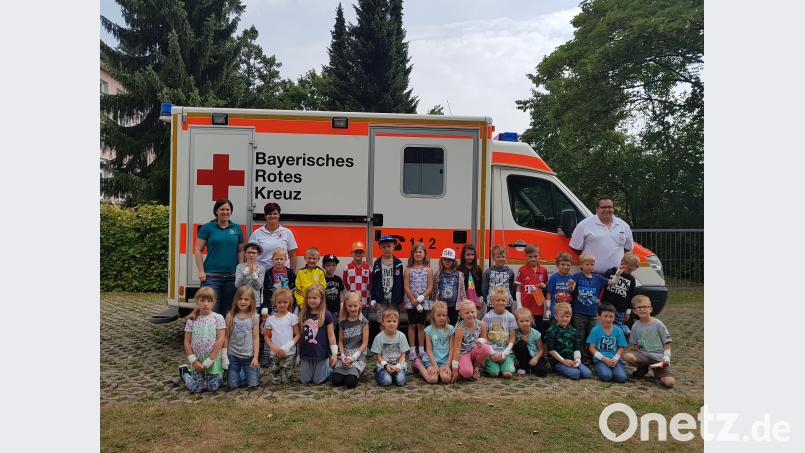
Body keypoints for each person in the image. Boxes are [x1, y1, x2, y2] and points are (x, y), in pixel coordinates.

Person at [194, 199, 244, 315]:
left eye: (228, 209)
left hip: (231, 277)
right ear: (216, 211)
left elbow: (241, 250)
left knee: (228, 311)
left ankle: (225, 334)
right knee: (211, 311)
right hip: (211, 277)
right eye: (222, 209)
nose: (225, 212)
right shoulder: (207, 227)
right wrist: (201, 271)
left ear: (231, 211)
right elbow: (197, 250)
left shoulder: (236, 228)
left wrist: (240, 269)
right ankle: (211, 334)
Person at [569, 196, 634, 274]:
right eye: (603, 207)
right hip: (591, 275)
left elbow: (627, 249)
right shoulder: (584, 225)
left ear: (613, 208)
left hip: (617, 275)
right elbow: (576, 248)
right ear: (597, 209)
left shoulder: (624, 226)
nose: (607, 209)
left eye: (610, 207)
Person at [179, 287, 226, 393]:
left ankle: (220, 373)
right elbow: (187, 342)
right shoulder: (192, 320)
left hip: (213, 360)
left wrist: (210, 360)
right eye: (202, 300)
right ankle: (184, 373)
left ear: (214, 302)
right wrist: (194, 361)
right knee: (196, 388)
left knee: (212, 387)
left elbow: (220, 339)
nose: (206, 304)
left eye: (209, 301)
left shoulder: (218, 318)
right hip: (197, 360)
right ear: (197, 302)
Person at [622, 295, 675, 388]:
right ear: (634, 311)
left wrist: (667, 356)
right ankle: (643, 367)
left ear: (650, 309)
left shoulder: (658, 324)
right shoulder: (635, 326)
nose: (642, 309)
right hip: (644, 356)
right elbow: (635, 345)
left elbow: (667, 342)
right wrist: (640, 359)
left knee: (669, 383)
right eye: (639, 307)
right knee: (627, 356)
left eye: (645, 306)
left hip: (659, 358)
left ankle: (657, 370)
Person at [571, 253, 615, 362]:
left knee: (593, 336)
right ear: (581, 265)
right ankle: (583, 357)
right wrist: (571, 286)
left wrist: (618, 272)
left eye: (592, 264)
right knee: (580, 336)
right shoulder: (576, 276)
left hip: (593, 313)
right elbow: (571, 289)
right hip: (579, 313)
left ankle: (593, 356)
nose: (590, 267)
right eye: (587, 264)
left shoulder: (598, 278)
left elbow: (613, 282)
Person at [298, 284, 338, 384]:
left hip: (320, 353)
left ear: (321, 299)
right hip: (306, 352)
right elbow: (300, 335)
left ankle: (329, 370)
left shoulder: (327, 314)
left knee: (318, 381)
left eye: (315, 298)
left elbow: (331, 335)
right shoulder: (303, 314)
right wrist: (298, 354)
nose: (312, 300)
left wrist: (334, 354)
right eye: (309, 298)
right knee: (305, 381)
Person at [223, 287, 260, 389]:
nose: (243, 301)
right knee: (233, 385)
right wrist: (225, 355)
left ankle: (250, 371)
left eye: (246, 299)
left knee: (253, 384)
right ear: (235, 300)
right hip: (233, 356)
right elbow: (226, 337)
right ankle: (241, 372)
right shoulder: (230, 316)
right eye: (240, 298)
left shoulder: (254, 316)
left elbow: (256, 337)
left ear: (251, 301)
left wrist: (255, 357)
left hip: (249, 357)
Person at [544, 302, 592, 380]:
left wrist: (577, 359)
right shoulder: (551, 330)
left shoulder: (573, 330)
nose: (565, 319)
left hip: (571, 359)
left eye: (567, 316)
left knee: (587, 374)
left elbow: (576, 347)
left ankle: (572, 367)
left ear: (570, 317)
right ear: (556, 317)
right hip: (558, 361)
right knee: (575, 374)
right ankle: (558, 368)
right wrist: (563, 361)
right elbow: (551, 350)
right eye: (562, 316)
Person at [332, 293, 370, 389]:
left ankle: (357, 372)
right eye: (349, 306)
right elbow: (340, 341)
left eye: (355, 306)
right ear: (345, 306)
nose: (352, 308)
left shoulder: (364, 322)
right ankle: (348, 373)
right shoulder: (343, 322)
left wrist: (353, 358)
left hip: (358, 354)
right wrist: (343, 355)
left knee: (350, 383)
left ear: (360, 305)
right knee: (336, 381)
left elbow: (365, 343)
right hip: (345, 353)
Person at [264, 287, 300, 385]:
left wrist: (286, 348)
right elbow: (266, 336)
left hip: (289, 353)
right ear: (275, 303)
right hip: (274, 353)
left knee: (286, 381)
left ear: (289, 302)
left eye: (285, 302)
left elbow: (297, 335)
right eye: (279, 302)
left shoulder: (292, 318)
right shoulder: (270, 319)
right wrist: (273, 347)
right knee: (275, 380)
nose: (282, 304)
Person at [404, 242, 434, 361]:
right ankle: (412, 350)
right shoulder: (408, 270)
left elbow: (430, 287)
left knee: (421, 325)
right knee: (411, 325)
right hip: (411, 302)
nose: (418, 254)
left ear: (424, 254)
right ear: (412, 254)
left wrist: (420, 299)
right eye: (416, 252)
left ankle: (421, 349)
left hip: (423, 302)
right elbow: (406, 287)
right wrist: (413, 300)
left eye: (420, 252)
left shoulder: (428, 270)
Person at [249, 202, 299, 273]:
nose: (272, 216)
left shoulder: (287, 232)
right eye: (269, 214)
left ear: (279, 215)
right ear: (265, 216)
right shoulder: (257, 233)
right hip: (262, 274)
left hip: (282, 275)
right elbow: (250, 255)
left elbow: (293, 255)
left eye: (275, 214)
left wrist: (292, 273)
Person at [414, 301, 455, 384]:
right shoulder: (429, 330)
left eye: (444, 315)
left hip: (445, 361)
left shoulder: (450, 329)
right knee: (432, 380)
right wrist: (435, 366)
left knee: (446, 379)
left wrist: (447, 365)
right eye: (439, 315)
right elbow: (429, 350)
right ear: (433, 316)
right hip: (431, 360)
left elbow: (452, 349)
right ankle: (418, 363)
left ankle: (440, 371)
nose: (442, 318)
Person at [586, 304, 628, 383]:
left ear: (614, 317)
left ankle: (617, 367)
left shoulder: (618, 330)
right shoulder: (595, 330)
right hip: (601, 359)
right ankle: (602, 368)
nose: (608, 319)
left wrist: (615, 359)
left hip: (614, 359)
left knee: (622, 378)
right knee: (606, 376)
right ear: (599, 316)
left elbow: (622, 347)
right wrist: (603, 359)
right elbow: (591, 348)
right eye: (605, 316)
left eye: (611, 316)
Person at [452, 299, 492, 381]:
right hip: (464, 353)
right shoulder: (459, 329)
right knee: (467, 373)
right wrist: (454, 368)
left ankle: (476, 367)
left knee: (486, 348)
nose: (470, 314)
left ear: (476, 312)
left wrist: (481, 341)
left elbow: (485, 340)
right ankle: (464, 366)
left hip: (475, 350)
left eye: (473, 312)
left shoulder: (481, 324)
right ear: (461, 315)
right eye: (467, 313)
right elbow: (456, 350)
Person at [482, 287, 517, 379]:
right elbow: (484, 337)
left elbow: (512, 338)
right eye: (497, 300)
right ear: (492, 301)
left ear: (507, 302)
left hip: (505, 352)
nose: (501, 302)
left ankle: (509, 362)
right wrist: (492, 353)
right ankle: (489, 364)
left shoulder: (510, 317)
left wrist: (505, 353)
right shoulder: (487, 317)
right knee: (494, 374)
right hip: (491, 352)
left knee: (507, 374)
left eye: (503, 300)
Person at [601, 253, 639, 335]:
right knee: (604, 325)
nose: (630, 272)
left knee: (617, 327)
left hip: (620, 309)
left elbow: (631, 296)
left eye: (632, 270)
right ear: (622, 263)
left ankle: (617, 340)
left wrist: (628, 312)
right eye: (629, 269)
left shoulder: (631, 279)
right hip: (607, 305)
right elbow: (601, 284)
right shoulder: (610, 272)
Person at [370, 308, 410, 387]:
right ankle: (379, 374)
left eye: (394, 321)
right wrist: (386, 365)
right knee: (387, 382)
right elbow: (378, 356)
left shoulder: (401, 336)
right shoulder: (379, 337)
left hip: (398, 365)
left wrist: (398, 365)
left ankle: (397, 376)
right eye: (388, 321)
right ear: (383, 322)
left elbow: (403, 354)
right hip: (384, 366)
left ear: (398, 322)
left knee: (400, 381)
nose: (392, 324)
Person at [516, 244, 549, 334]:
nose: (533, 259)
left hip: (538, 306)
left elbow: (546, 287)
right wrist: (519, 305)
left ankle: (538, 347)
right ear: (526, 257)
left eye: (535, 256)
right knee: (525, 329)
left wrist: (544, 286)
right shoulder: (522, 270)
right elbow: (518, 287)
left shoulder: (543, 270)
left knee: (537, 330)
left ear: (539, 256)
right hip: (526, 306)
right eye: (530, 256)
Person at [370, 236, 404, 323]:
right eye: (384, 247)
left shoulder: (398, 263)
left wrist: (401, 299)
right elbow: (374, 282)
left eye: (389, 246)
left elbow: (401, 282)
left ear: (393, 247)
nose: (387, 249)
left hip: (394, 299)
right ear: (380, 248)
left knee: (393, 321)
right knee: (382, 321)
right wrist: (373, 298)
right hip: (381, 299)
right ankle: (382, 337)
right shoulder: (377, 263)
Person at [432, 247, 466, 325]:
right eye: (445, 259)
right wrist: (434, 304)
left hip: (454, 307)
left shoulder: (459, 274)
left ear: (453, 261)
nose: (447, 262)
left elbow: (462, 291)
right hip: (441, 307)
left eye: (449, 260)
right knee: (441, 326)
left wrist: (462, 305)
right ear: (442, 260)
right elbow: (434, 291)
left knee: (453, 326)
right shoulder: (437, 274)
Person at [513, 307, 548, 377]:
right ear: (516, 322)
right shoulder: (515, 332)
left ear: (530, 321)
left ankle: (531, 367)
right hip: (523, 356)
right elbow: (513, 346)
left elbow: (541, 350)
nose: (525, 323)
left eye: (527, 321)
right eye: (521, 321)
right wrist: (519, 340)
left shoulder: (536, 333)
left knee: (542, 372)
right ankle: (522, 367)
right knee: (521, 343)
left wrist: (536, 358)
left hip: (535, 355)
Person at [482, 245, 516, 311]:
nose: (501, 259)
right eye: (498, 257)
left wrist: (508, 297)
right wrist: (487, 300)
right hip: (492, 304)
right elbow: (484, 288)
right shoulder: (488, 272)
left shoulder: (510, 272)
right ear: (493, 258)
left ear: (506, 257)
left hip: (506, 303)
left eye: (503, 256)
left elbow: (511, 287)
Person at [264, 247, 296, 315]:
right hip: (273, 304)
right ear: (272, 259)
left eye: (281, 259)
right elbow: (265, 290)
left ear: (286, 260)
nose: (279, 261)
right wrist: (266, 305)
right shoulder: (268, 273)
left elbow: (294, 287)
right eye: (276, 259)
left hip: (287, 303)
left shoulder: (290, 272)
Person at [343, 241, 372, 318]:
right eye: (356, 252)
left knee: (364, 324)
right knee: (352, 324)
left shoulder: (368, 267)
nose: (358, 254)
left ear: (364, 254)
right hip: (352, 303)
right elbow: (345, 283)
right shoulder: (347, 267)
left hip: (365, 302)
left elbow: (371, 283)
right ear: (352, 253)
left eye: (360, 252)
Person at [235, 242, 266, 311]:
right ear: (245, 254)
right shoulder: (240, 267)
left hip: (255, 301)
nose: (251, 255)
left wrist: (253, 274)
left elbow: (259, 286)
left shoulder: (261, 268)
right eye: (249, 252)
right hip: (241, 301)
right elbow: (237, 285)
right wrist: (245, 273)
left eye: (254, 253)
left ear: (258, 254)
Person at [545, 252, 577, 319]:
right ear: (557, 265)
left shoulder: (572, 278)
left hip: (567, 313)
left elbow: (573, 294)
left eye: (568, 265)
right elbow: (549, 294)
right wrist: (547, 309)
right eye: (562, 264)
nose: (565, 267)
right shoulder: (553, 277)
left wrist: (572, 288)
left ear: (571, 265)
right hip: (555, 312)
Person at [294, 247, 326, 311]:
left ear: (318, 259)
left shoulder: (321, 272)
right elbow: (297, 289)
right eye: (309, 258)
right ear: (305, 258)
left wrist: (317, 301)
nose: (311, 260)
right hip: (303, 304)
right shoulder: (300, 272)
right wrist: (302, 304)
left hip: (317, 303)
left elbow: (323, 287)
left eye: (314, 258)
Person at [322, 254, 345, 339]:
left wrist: (342, 305)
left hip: (336, 309)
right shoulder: (322, 279)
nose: (331, 267)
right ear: (323, 266)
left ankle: (336, 346)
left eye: (333, 265)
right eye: (328, 265)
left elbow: (341, 293)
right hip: (326, 309)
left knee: (336, 327)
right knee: (326, 327)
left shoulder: (338, 279)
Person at [457, 244, 483, 314]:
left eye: (472, 255)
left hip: (474, 299)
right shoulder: (459, 269)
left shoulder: (477, 269)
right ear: (463, 255)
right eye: (468, 255)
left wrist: (480, 297)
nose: (470, 257)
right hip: (463, 300)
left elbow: (480, 284)